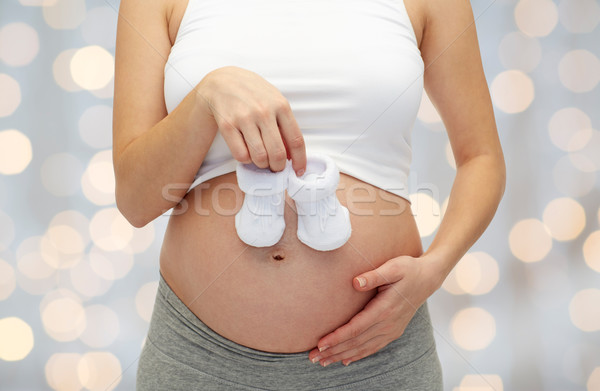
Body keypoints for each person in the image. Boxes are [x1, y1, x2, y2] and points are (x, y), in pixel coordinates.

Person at [112, 0, 506, 389]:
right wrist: (206, 97)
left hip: (376, 355)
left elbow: (481, 158)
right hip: (201, 358)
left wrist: (434, 270)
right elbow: (136, 201)